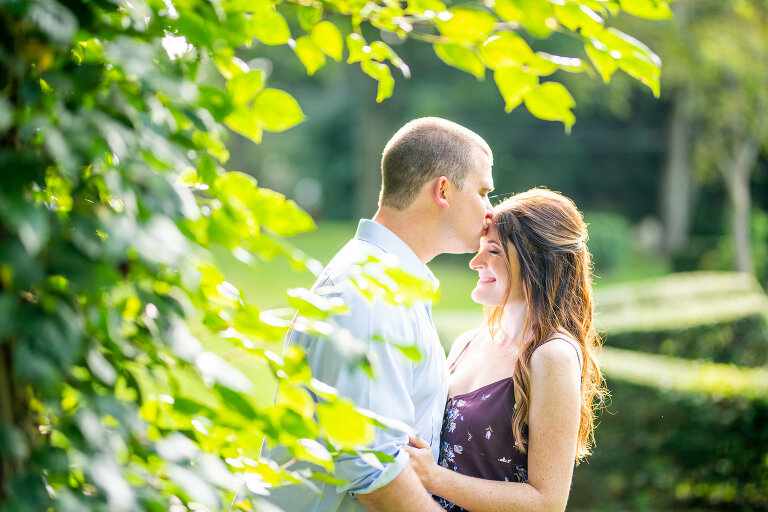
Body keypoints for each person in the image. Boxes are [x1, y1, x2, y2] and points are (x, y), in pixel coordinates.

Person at [246, 117, 495, 511]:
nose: (490, 212)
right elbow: (372, 471)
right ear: (443, 190)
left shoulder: (384, 281)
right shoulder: (369, 292)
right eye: (484, 192)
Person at [404, 187, 607, 512]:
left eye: (494, 251)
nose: (475, 261)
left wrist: (433, 477)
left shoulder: (551, 356)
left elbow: (547, 502)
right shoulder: (466, 343)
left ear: (536, 262)